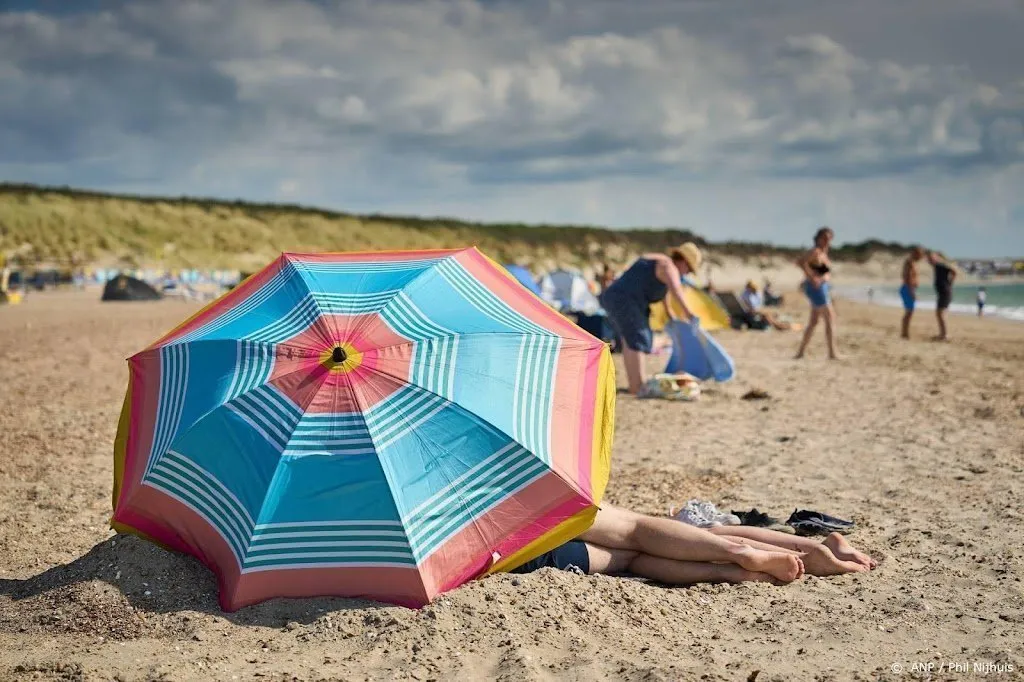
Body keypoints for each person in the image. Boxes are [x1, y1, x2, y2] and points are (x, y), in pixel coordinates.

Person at [513, 505, 876, 585]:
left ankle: (739, 570)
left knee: (636, 560)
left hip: (512, 544)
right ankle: (811, 550)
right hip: (528, 496)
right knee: (642, 530)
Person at [599, 244, 702, 395]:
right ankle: (638, 385)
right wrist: (690, 314)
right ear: (684, 262)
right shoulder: (669, 266)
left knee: (631, 340)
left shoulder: (658, 260)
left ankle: (635, 384)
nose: (687, 273)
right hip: (625, 300)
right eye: (689, 269)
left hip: (614, 298)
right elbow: (676, 290)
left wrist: (670, 313)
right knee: (638, 338)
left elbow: (665, 291)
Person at [794, 227, 839, 359]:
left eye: (829, 238)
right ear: (818, 238)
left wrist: (816, 276)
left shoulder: (823, 253)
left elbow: (822, 272)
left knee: (814, 322)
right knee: (830, 318)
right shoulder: (816, 251)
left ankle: (800, 352)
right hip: (817, 288)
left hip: (822, 287)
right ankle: (832, 353)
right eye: (824, 238)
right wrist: (811, 277)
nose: (827, 241)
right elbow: (800, 262)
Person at [928, 251, 957, 341]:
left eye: (931, 259)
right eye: (929, 259)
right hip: (942, 293)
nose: (930, 261)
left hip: (945, 293)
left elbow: (954, 272)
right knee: (939, 314)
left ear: (936, 258)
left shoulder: (940, 265)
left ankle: (944, 335)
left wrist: (950, 283)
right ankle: (942, 334)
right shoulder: (936, 267)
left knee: (941, 314)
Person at [899, 246, 926, 339]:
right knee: (909, 312)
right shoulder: (910, 262)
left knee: (909, 312)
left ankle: (905, 333)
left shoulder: (911, 262)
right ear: (916, 253)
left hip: (908, 288)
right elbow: (908, 278)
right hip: (907, 288)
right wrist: (912, 292)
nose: (922, 257)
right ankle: (904, 333)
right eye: (921, 255)